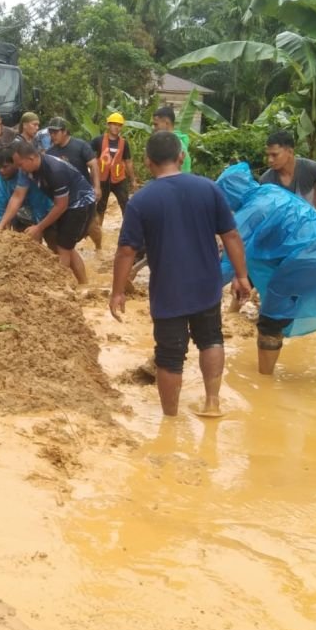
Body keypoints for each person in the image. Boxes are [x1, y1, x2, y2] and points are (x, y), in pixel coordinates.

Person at [110, 131, 250, 417]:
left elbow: (126, 251)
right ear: (181, 156)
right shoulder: (209, 189)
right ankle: (212, 403)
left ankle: (170, 420)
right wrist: (242, 275)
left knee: (170, 355)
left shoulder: (141, 201)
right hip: (206, 285)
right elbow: (232, 235)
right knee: (211, 339)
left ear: (148, 162)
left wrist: (118, 291)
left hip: (168, 290)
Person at [216, 162, 316, 384]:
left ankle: (264, 385)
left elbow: (229, 261)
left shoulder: (249, 212)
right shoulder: (273, 192)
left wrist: (194, 292)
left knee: (270, 323)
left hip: (306, 261)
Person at [0, 140, 96, 283]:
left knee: (63, 247)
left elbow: (61, 205)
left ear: (31, 158)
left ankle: (62, 285)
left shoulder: (55, 170)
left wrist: (39, 227)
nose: (19, 169)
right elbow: (17, 196)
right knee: (65, 246)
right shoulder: (26, 170)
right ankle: (84, 284)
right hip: (64, 203)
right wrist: (2, 224)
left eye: (20, 165)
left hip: (81, 202)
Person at [46, 116, 103, 251]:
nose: (52, 135)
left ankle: (99, 248)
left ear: (65, 131)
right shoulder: (50, 153)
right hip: (63, 197)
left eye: (56, 132)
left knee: (91, 226)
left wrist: (97, 187)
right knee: (64, 229)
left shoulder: (80, 146)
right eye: (51, 132)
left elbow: (93, 165)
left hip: (84, 195)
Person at [260, 129, 316, 219]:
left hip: (309, 226)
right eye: (268, 155)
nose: (270, 160)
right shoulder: (266, 180)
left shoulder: (310, 168)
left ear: (290, 152)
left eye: (274, 155)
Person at [0, 145, 55, 249]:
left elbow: (39, 201)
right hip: (17, 213)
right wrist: (1, 224)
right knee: (23, 244)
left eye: (5, 166)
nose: (1, 170)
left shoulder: (27, 172)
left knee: (55, 245)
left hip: (45, 212)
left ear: (15, 164)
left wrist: (38, 226)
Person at [92, 112, 137, 225]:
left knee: (125, 205)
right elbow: (88, 156)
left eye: (119, 125)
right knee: (100, 208)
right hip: (102, 179)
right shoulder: (98, 141)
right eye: (114, 124)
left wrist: (133, 180)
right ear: (108, 125)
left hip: (119, 179)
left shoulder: (124, 143)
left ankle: (128, 229)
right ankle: (99, 232)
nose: (116, 127)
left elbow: (128, 162)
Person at [152, 104, 191, 173]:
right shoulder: (177, 141)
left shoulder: (172, 144)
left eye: (156, 124)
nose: (154, 128)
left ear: (166, 123)